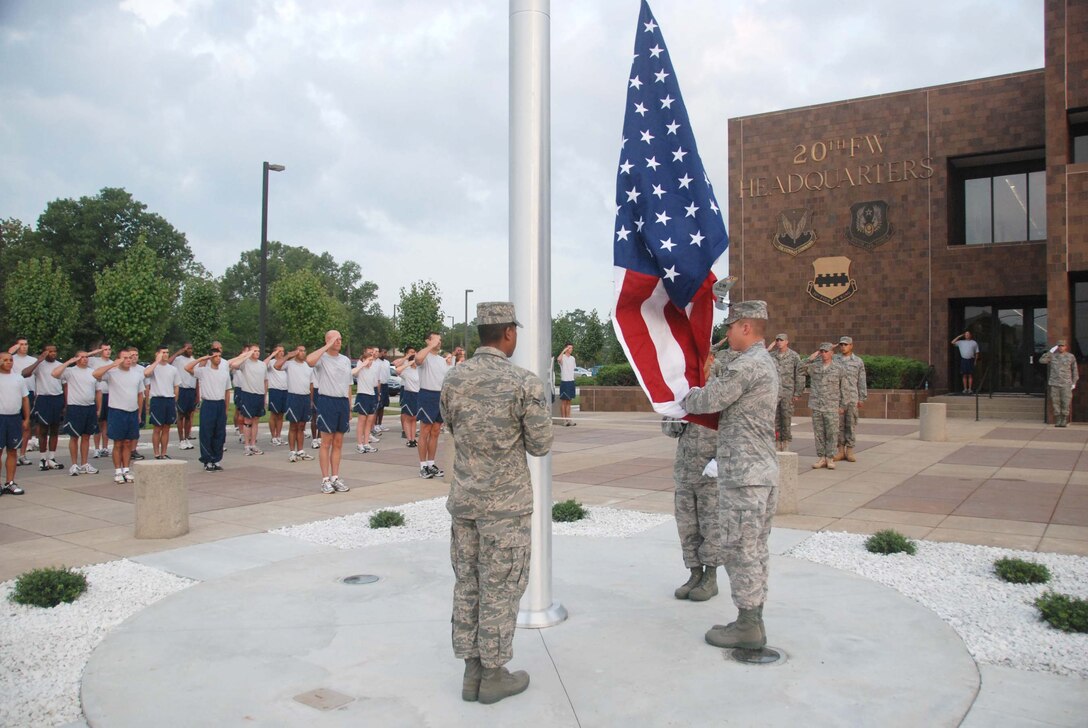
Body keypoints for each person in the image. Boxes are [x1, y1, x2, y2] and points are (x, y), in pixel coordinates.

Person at [441, 302, 552, 704]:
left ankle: (471, 672)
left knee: (468, 583)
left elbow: (450, 426)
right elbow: (540, 445)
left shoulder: (454, 379)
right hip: (504, 509)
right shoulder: (523, 382)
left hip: (466, 503)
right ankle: (493, 674)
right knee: (501, 588)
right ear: (508, 333)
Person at [681, 300, 779, 651]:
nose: (728, 334)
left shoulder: (748, 365)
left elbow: (709, 400)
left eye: (731, 327)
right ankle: (750, 618)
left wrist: (683, 395)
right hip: (759, 471)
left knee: (740, 549)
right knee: (753, 548)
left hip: (745, 475)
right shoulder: (763, 363)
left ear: (746, 327)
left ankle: (749, 624)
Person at [664, 354, 721, 602]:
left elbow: (733, 429)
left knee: (711, 526)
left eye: (705, 357)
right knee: (687, 526)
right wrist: (679, 416)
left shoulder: (722, 389)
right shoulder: (684, 390)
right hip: (686, 470)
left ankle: (710, 578)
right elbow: (667, 428)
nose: (701, 363)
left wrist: (721, 460)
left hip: (711, 472)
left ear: (713, 359)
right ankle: (694, 573)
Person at [307, 330, 352, 494]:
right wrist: (326, 346)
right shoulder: (322, 359)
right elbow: (309, 361)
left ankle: (335, 477)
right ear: (327, 340)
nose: (339, 341)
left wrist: (349, 406)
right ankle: (325, 479)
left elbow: (348, 384)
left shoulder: (346, 360)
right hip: (327, 401)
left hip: (342, 402)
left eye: (340, 338)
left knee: (338, 443)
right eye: (335, 339)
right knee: (326, 442)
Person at [93, 347, 146, 484]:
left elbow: (140, 394)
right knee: (118, 443)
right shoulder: (112, 373)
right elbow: (96, 374)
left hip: (132, 411)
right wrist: (112, 364)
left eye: (129, 357)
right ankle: (117, 470)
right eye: (125, 358)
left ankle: (126, 469)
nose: (128, 360)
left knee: (128, 442)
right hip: (117, 411)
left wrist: (139, 413)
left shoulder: (137, 374)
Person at [53, 348, 103, 476]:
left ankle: (84, 463)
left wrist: (99, 408)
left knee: (86, 437)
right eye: (81, 357)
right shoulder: (70, 372)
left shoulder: (93, 373)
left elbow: (98, 392)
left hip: (89, 407)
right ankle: (74, 464)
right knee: (74, 437)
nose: (85, 359)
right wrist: (69, 362)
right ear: (76, 358)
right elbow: (55, 374)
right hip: (75, 408)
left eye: (86, 357)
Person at [186, 346, 231, 470]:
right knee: (207, 432)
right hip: (208, 404)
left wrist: (226, 408)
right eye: (215, 356)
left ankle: (216, 459)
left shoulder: (224, 373)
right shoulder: (203, 371)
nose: (218, 359)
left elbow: (227, 391)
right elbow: (187, 368)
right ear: (210, 358)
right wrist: (202, 359)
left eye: (219, 356)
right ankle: (207, 459)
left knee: (220, 433)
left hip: (220, 404)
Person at [801, 343, 845, 470]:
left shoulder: (839, 368)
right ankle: (821, 458)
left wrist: (842, 405)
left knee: (832, 432)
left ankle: (830, 458)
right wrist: (810, 358)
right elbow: (800, 369)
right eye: (822, 351)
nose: (824, 354)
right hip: (817, 405)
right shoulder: (815, 367)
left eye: (826, 351)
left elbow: (844, 388)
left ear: (832, 353)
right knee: (819, 433)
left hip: (832, 405)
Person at [22, 344, 65, 470]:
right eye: (49, 351)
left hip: (57, 397)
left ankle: (51, 458)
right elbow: (24, 373)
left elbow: (65, 384)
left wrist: (65, 403)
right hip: (43, 398)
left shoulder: (59, 365)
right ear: (44, 352)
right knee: (42, 430)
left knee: (55, 429)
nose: (53, 353)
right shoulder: (39, 365)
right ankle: (42, 458)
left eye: (54, 351)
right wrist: (39, 360)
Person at [415, 332, 449, 479]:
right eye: (436, 339)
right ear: (428, 341)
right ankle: (422, 466)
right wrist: (430, 346)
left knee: (435, 431)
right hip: (426, 395)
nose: (439, 342)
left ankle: (431, 463)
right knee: (425, 431)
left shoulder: (442, 361)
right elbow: (418, 359)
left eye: (440, 340)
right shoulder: (425, 356)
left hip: (439, 396)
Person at [275, 345, 314, 463]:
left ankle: (300, 450)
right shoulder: (290, 364)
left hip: (305, 397)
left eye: (304, 350)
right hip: (293, 397)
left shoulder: (308, 366)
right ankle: (292, 451)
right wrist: (288, 355)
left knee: (302, 426)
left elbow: (311, 384)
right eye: (300, 351)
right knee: (293, 426)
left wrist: (311, 400)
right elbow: (276, 366)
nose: (302, 353)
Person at [833, 336, 867, 463]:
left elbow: (861, 380)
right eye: (841, 344)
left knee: (851, 424)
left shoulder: (858, 361)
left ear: (851, 346)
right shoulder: (834, 359)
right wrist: (830, 348)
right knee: (839, 425)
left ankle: (850, 451)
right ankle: (840, 451)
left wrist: (862, 397)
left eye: (846, 345)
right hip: (838, 398)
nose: (843, 347)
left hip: (852, 397)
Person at [766, 333, 803, 451]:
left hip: (788, 392)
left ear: (787, 342)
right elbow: (760, 361)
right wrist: (768, 349)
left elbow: (800, 374)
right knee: (775, 418)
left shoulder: (794, 356)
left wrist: (798, 392)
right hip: (774, 392)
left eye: (781, 340)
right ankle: (777, 442)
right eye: (777, 340)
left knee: (786, 418)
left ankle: (786, 442)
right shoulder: (771, 356)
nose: (779, 342)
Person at [229, 345, 267, 456]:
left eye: (258, 351)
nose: (257, 353)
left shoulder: (262, 365)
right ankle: (246, 445)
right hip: (248, 394)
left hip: (259, 395)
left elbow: (265, 381)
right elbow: (234, 364)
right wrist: (246, 355)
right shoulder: (245, 363)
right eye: (255, 351)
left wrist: (264, 396)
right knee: (247, 420)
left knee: (256, 420)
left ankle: (253, 444)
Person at [143, 346, 180, 459]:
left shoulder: (173, 369)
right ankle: (156, 453)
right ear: (157, 354)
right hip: (157, 400)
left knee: (166, 428)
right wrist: (157, 361)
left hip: (169, 400)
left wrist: (174, 401)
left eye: (167, 352)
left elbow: (176, 386)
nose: (166, 354)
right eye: (163, 352)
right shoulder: (153, 367)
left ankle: (164, 452)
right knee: (157, 428)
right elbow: (146, 373)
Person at [0, 351, 29, 495]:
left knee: (12, 451)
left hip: (14, 418)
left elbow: (25, 399)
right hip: (0, 417)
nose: (9, 362)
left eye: (10, 360)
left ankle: (10, 482)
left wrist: (27, 418)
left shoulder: (18, 378)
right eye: (5, 360)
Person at [8, 338, 37, 464]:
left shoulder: (33, 360)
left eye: (26, 344)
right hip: (14, 393)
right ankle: (13, 451)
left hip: (29, 393)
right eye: (21, 344)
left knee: (27, 424)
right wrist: (10, 352)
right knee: (15, 424)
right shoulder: (11, 359)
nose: (24, 346)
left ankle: (22, 454)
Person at [1040, 340, 1078, 427]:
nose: (1061, 347)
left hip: (1066, 384)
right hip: (1055, 383)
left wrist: (1074, 382)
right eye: (1059, 346)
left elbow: (1074, 370)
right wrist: (1050, 352)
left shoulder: (1070, 356)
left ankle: (1064, 420)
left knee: (1065, 402)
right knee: (1056, 402)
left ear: (1066, 347)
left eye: (1062, 346)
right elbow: (1042, 361)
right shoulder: (1053, 356)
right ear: (1057, 347)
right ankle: (1058, 420)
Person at [352, 347, 381, 454]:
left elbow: (376, 381)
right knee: (362, 421)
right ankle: (359, 444)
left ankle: (366, 443)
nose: (370, 360)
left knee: (369, 421)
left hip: (371, 395)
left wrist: (378, 393)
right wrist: (363, 364)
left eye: (372, 357)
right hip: (362, 395)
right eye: (368, 357)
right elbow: (353, 373)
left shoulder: (375, 367)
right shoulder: (360, 366)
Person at [170, 343, 198, 450]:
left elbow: (196, 377)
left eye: (191, 348)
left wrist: (197, 394)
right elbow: (168, 362)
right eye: (187, 348)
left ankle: (187, 438)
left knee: (188, 416)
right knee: (181, 415)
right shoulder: (178, 360)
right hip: (182, 389)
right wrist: (178, 352)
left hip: (191, 389)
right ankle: (181, 440)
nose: (189, 350)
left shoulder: (193, 360)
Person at [88, 343, 113, 459]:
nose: (107, 351)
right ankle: (96, 448)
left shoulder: (112, 363)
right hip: (97, 394)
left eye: (109, 349)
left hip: (108, 394)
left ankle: (105, 447)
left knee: (106, 423)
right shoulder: (94, 361)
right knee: (98, 422)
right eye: (105, 350)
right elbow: (81, 357)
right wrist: (95, 351)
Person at [395, 348, 420, 447]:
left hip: (417, 395)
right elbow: (397, 370)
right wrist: (409, 363)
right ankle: (409, 439)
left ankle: (413, 438)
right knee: (407, 418)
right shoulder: (407, 370)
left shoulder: (419, 370)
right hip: (409, 394)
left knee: (414, 418)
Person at [265, 345, 288, 446]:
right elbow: (263, 364)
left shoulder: (286, 363)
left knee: (281, 415)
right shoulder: (271, 363)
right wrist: (273, 355)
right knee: (274, 414)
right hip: (275, 390)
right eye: (279, 351)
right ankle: (273, 436)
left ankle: (278, 436)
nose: (282, 353)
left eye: (283, 351)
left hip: (285, 390)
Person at [557, 343, 577, 426]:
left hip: (571, 381)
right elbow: (558, 359)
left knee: (569, 401)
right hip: (564, 382)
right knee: (564, 402)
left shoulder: (572, 358)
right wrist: (563, 351)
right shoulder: (563, 357)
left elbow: (573, 368)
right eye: (569, 348)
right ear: (566, 349)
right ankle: (564, 420)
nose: (571, 349)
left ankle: (569, 419)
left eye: (572, 348)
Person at [374, 347, 392, 433]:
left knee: (383, 405)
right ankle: (375, 424)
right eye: (383, 352)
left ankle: (380, 423)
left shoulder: (387, 362)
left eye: (386, 353)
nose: (385, 354)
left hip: (385, 385)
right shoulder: (376, 362)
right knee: (378, 405)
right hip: (378, 385)